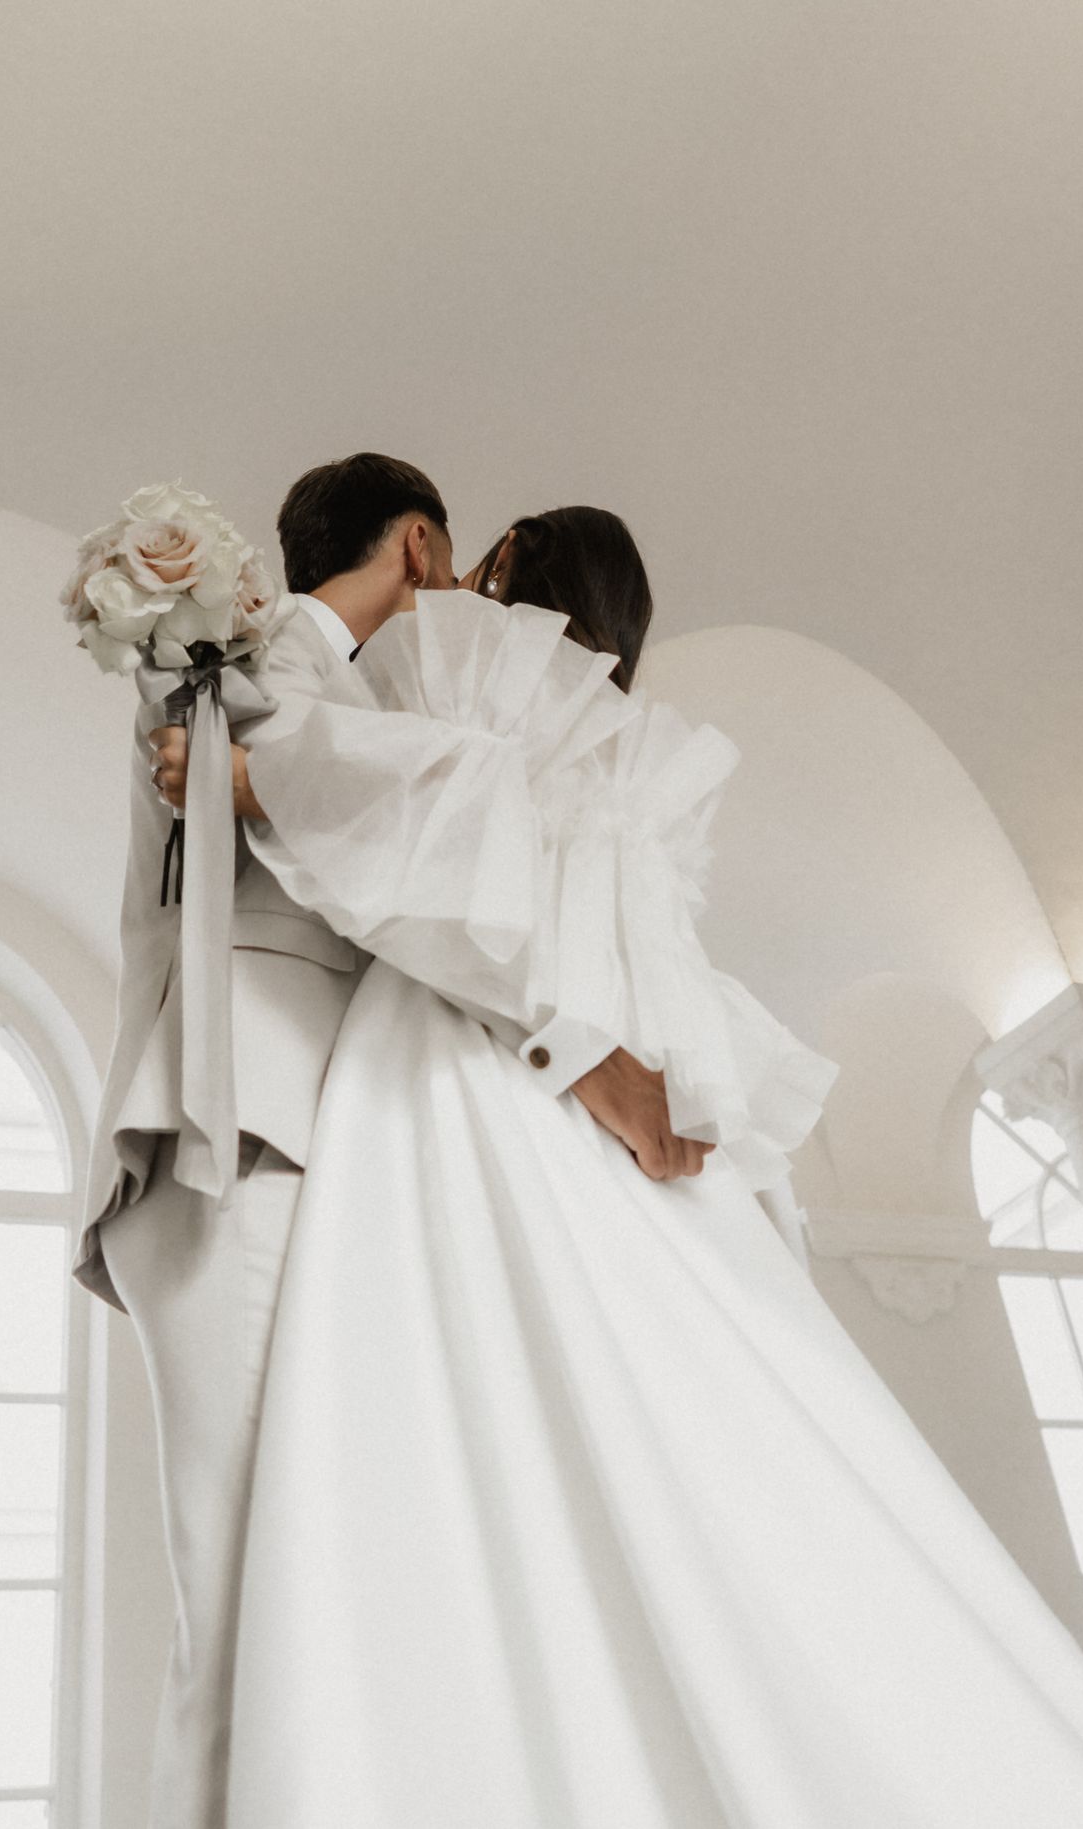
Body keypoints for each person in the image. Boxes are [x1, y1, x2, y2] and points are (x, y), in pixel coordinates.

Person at [218, 508, 1083, 1829]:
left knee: (458, 1431)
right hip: (642, 1117)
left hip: (478, 1065)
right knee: (727, 1441)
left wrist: (252, 769)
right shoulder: (642, 762)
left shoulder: (465, 660)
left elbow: (398, 844)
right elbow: (657, 975)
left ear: (496, 573)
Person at [79, 457, 698, 1829]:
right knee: (247, 1602)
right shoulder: (247, 665)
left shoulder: (358, 705)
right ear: (421, 542)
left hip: (334, 1152)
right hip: (236, 1126)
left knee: (340, 1589)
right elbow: (387, 848)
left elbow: (440, 859)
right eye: (470, 569)